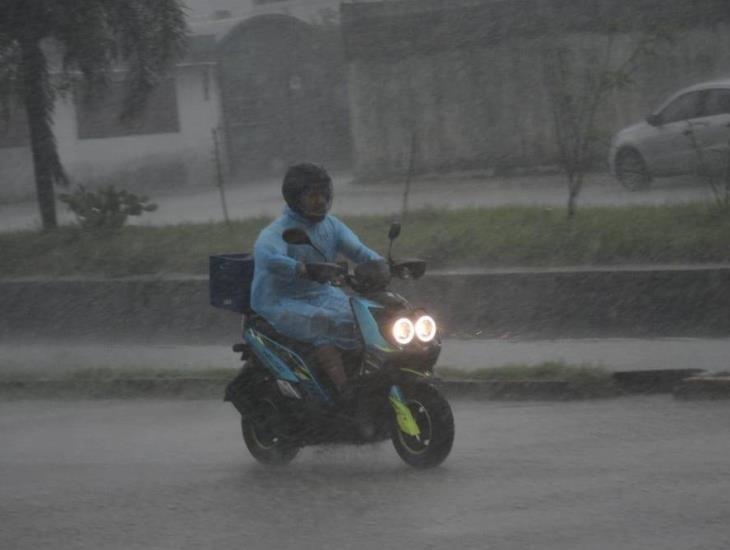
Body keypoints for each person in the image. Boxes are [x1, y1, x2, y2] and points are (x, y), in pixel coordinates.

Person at [250, 163, 383, 398]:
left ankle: (369, 378)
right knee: (323, 322)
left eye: (324, 194)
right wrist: (300, 268)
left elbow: (359, 251)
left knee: (364, 318)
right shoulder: (279, 230)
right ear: (295, 199)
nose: (320, 201)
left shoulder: (331, 226)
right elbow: (266, 256)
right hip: (280, 300)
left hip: (321, 294)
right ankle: (344, 392)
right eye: (313, 195)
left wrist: (383, 265)